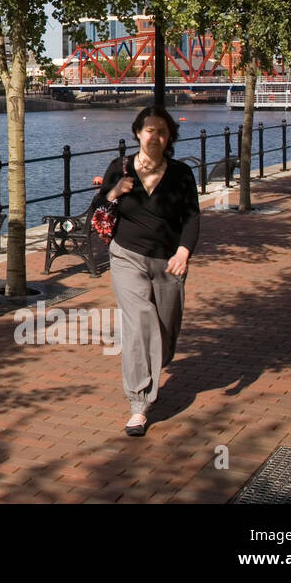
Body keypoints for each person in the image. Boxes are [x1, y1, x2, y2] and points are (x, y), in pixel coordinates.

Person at [91, 105, 200, 436]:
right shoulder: (119, 168)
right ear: (138, 133)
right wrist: (114, 191)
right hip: (126, 255)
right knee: (139, 322)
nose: (156, 136)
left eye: (163, 131)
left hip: (168, 261)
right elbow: (99, 207)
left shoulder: (181, 174)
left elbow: (192, 217)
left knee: (166, 331)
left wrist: (184, 251)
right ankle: (138, 405)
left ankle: (157, 360)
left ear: (170, 139)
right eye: (150, 130)